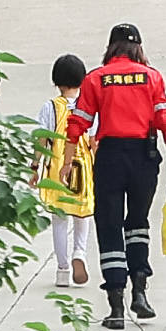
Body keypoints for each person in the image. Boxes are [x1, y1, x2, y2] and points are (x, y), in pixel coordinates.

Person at [70, 24, 166, 329]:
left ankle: (116, 306)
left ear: (111, 46)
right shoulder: (152, 77)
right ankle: (140, 293)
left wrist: (66, 164)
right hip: (144, 157)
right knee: (138, 223)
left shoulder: (96, 78)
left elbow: (77, 124)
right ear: (138, 47)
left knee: (109, 226)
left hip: (110, 157)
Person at [37, 53, 97, 289]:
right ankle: (80, 253)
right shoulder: (90, 106)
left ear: (56, 81)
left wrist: (35, 167)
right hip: (84, 168)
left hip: (57, 168)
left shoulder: (50, 107)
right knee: (83, 216)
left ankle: (62, 269)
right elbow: (95, 140)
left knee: (59, 219)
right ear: (82, 79)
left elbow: (42, 139)